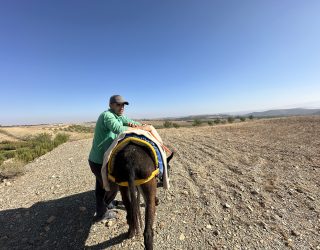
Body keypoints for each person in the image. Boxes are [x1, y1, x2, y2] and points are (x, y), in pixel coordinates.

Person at [88, 95, 152, 221]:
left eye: (123, 105)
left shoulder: (119, 116)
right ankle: (102, 213)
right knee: (111, 186)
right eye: (118, 104)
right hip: (99, 160)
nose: (121, 107)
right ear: (111, 105)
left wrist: (141, 125)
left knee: (102, 185)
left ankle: (108, 203)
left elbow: (130, 122)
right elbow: (118, 129)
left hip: (103, 158)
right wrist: (143, 129)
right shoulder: (108, 115)